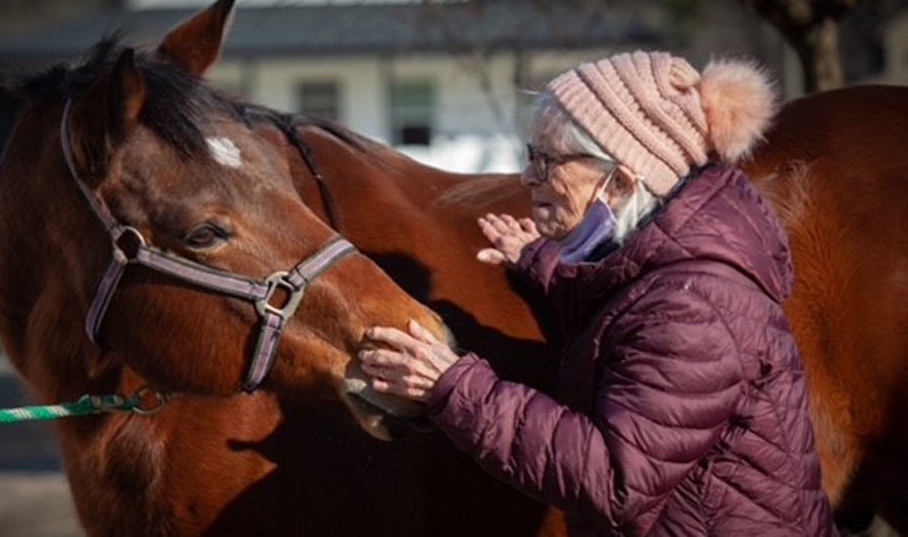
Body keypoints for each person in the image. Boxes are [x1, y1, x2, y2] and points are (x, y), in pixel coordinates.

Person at [358, 51, 837, 535]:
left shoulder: (695, 307)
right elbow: (625, 304)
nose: (528, 178)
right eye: (531, 155)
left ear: (621, 181)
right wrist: (545, 261)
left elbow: (616, 480)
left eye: (548, 162)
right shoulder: (667, 274)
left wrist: (454, 387)